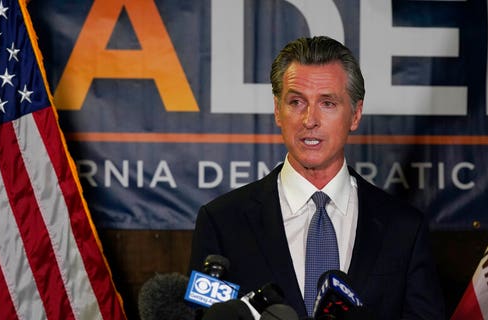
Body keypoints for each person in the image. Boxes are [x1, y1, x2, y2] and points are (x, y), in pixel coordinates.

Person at [189, 36, 444, 319]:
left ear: (356, 114)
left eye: (328, 103)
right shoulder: (223, 222)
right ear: (277, 110)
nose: (310, 120)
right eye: (296, 101)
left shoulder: (404, 227)